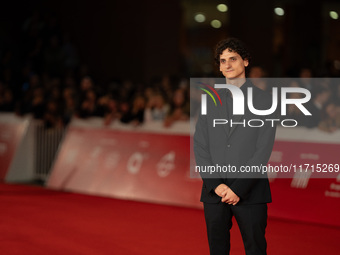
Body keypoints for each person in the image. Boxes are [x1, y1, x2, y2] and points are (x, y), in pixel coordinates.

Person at [194, 38, 277, 255]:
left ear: (246, 62)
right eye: (222, 61)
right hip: (215, 192)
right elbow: (200, 146)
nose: (227, 65)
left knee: (255, 249)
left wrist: (237, 189)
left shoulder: (265, 101)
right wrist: (216, 185)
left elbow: (263, 150)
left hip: (250, 191)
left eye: (233, 58)